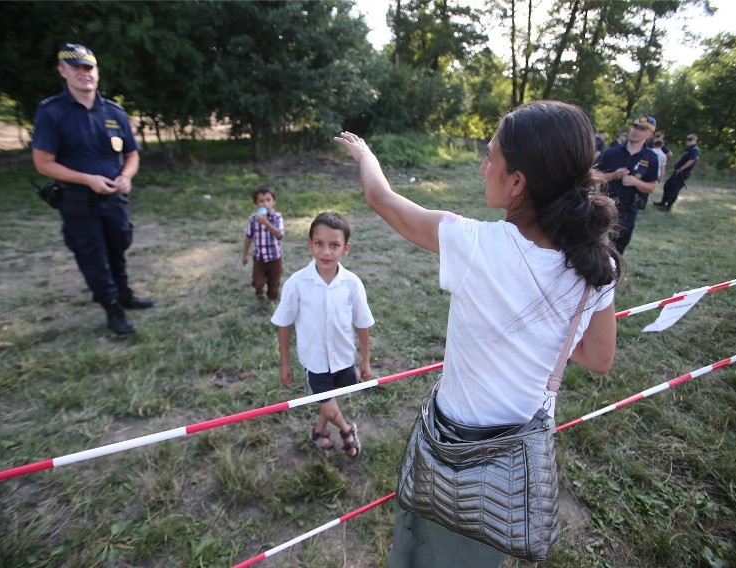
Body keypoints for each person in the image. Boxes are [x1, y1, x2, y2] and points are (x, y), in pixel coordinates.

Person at [335, 100, 620, 567]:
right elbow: (599, 357)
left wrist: (366, 154)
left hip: (446, 446)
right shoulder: (598, 265)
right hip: (506, 475)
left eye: (493, 156)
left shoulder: (475, 245)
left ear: (517, 183)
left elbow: (381, 199)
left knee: (418, 545)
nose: (484, 165)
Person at [32, 43, 152, 335]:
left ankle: (124, 294)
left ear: (96, 72)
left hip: (114, 197)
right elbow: (43, 163)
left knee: (118, 246)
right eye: (76, 67)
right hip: (78, 200)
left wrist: (126, 176)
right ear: (62, 71)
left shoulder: (114, 112)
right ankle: (112, 309)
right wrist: (87, 179)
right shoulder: (52, 112)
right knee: (92, 253)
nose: (83, 73)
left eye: (89, 67)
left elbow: (131, 154)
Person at [270, 212, 373, 459]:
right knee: (327, 401)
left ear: (345, 249)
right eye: (319, 244)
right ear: (310, 244)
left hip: (344, 358)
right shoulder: (297, 284)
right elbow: (283, 323)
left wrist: (366, 359)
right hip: (315, 361)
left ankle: (318, 432)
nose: (326, 252)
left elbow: (362, 323)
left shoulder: (352, 284)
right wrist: (284, 363)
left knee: (330, 401)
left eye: (334, 245)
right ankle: (347, 429)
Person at [596, 115, 660, 254]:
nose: (636, 131)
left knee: (618, 249)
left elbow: (652, 186)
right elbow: (595, 177)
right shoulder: (612, 152)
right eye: (635, 127)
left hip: (628, 209)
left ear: (649, 134)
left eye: (642, 129)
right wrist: (613, 175)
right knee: (596, 245)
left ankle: (613, 274)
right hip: (605, 205)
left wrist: (635, 182)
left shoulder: (651, 158)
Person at [242, 184, 285, 301]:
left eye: (268, 200)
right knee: (257, 281)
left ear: (274, 201)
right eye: (261, 201)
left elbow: (279, 235)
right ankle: (259, 292)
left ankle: (271, 300)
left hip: (274, 258)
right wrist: (245, 254)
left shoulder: (277, 217)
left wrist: (266, 223)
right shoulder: (253, 219)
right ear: (256, 204)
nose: (265, 204)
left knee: (274, 284)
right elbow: (248, 237)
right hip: (259, 258)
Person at [653, 133, 700, 212]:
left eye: (690, 140)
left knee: (674, 189)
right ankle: (663, 203)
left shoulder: (695, 150)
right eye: (687, 139)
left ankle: (668, 207)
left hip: (683, 173)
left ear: (694, 141)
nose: (687, 141)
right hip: (677, 172)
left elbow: (691, 161)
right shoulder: (689, 149)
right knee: (667, 185)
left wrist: (681, 168)